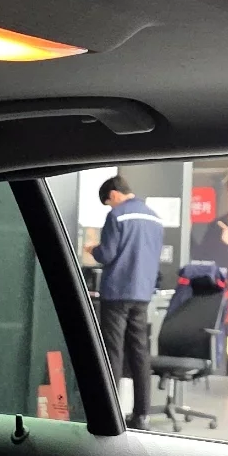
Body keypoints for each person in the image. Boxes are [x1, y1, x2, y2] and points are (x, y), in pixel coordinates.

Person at [89, 174, 165, 428]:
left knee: (113, 351)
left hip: (117, 292)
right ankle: (141, 414)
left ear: (113, 195)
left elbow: (107, 254)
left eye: (108, 202)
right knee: (140, 352)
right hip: (142, 294)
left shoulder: (117, 216)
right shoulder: (155, 218)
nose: (110, 206)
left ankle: (109, 412)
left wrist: (93, 249)